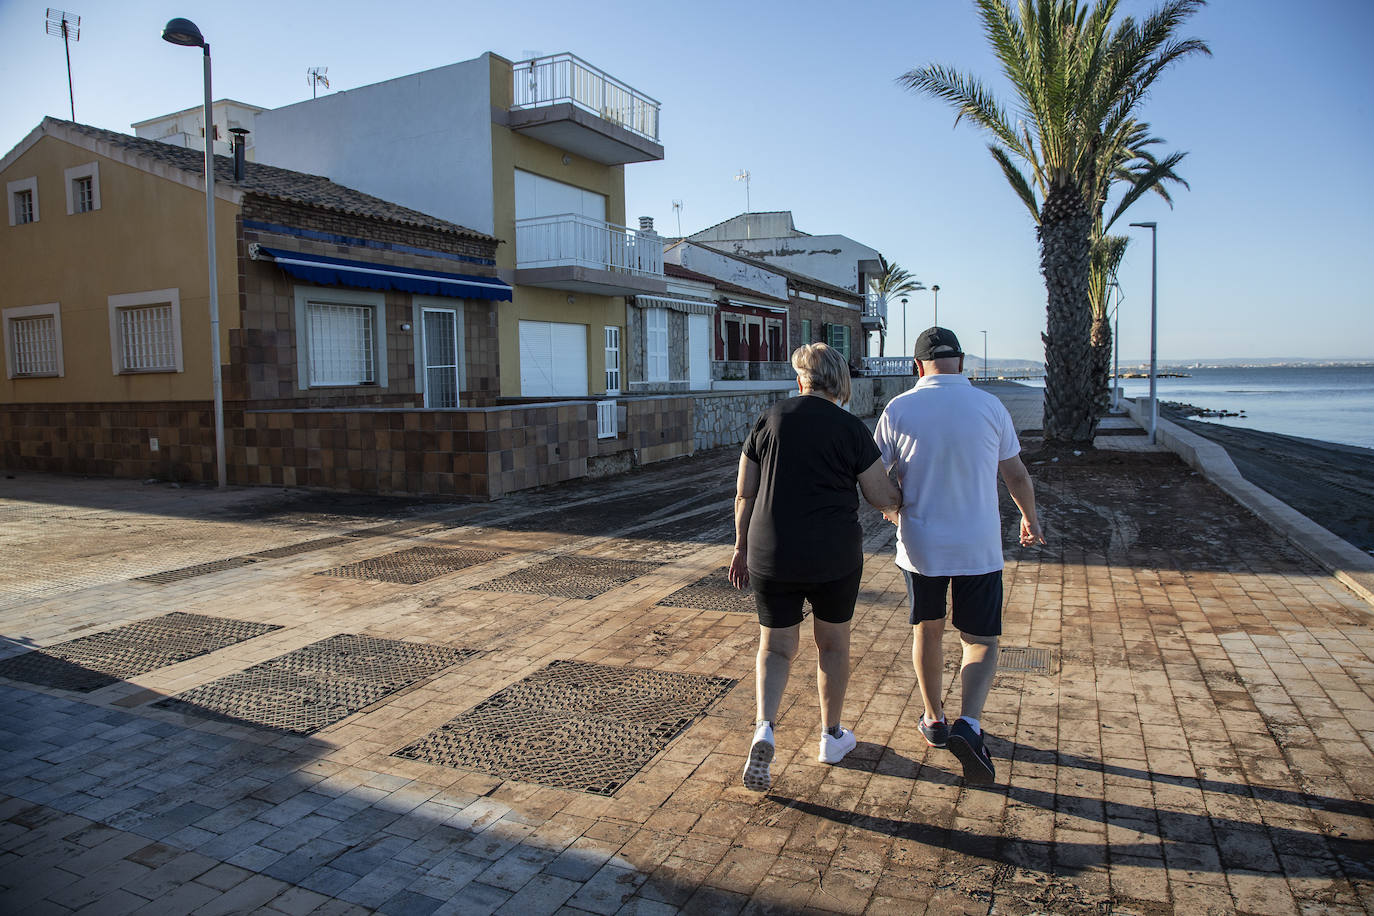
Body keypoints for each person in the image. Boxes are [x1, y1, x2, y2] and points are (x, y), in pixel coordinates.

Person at [873, 327, 1045, 785]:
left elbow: (871, 474)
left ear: (917, 366)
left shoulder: (899, 408)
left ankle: (934, 719)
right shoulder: (990, 406)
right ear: (962, 363)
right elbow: (1016, 474)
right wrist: (1029, 518)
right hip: (978, 545)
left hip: (922, 545)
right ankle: (969, 722)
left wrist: (891, 507)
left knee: (928, 632)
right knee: (981, 640)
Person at [729, 343, 902, 792]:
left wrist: (739, 547)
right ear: (839, 382)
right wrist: (902, 498)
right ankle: (831, 737)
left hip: (770, 551)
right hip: (833, 555)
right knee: (832, 646)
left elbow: (744, 492)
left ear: (800, 379)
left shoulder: (770, 419)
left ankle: (765, 727)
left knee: (775, 646)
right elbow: (880, 496)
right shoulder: (850, 428)